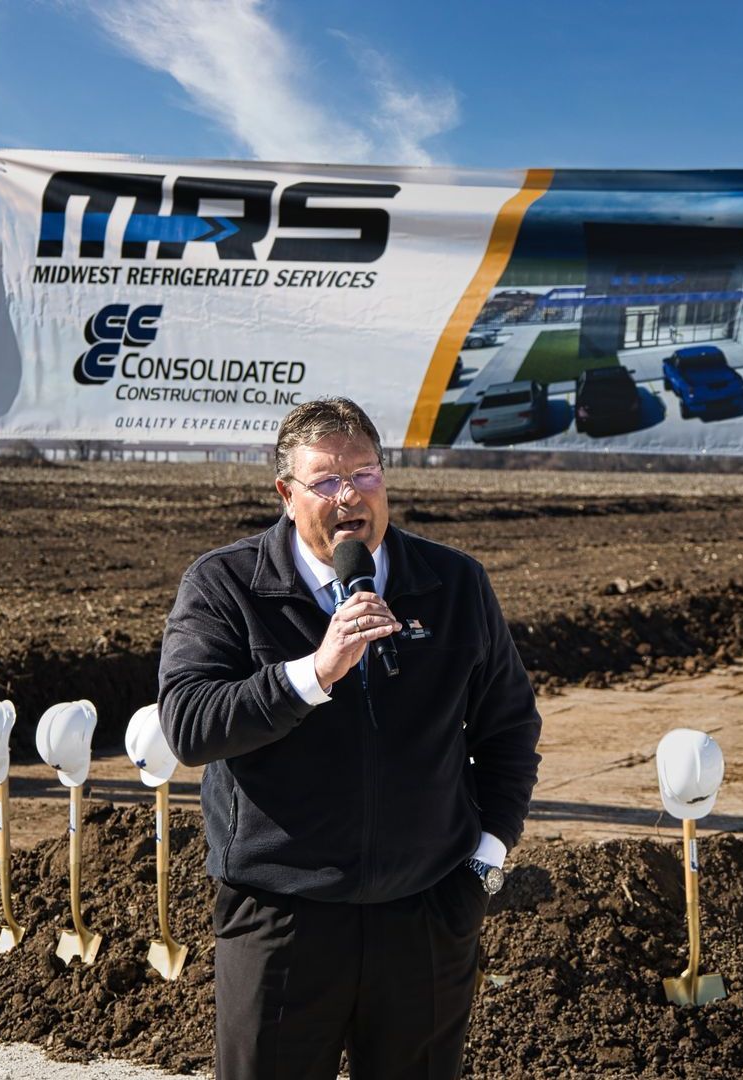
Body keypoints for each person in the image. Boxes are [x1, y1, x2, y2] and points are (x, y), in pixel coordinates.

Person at [158, 397, 542, 1080]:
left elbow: (509, 728)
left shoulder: (452, 584)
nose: (349, 497)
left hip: (424, 916)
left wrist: (483, 861)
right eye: (327, 481)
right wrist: (312, 673)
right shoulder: (227, 586)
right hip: (282, 919)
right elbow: (190, 725)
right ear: (286, 494)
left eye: (365, 475)